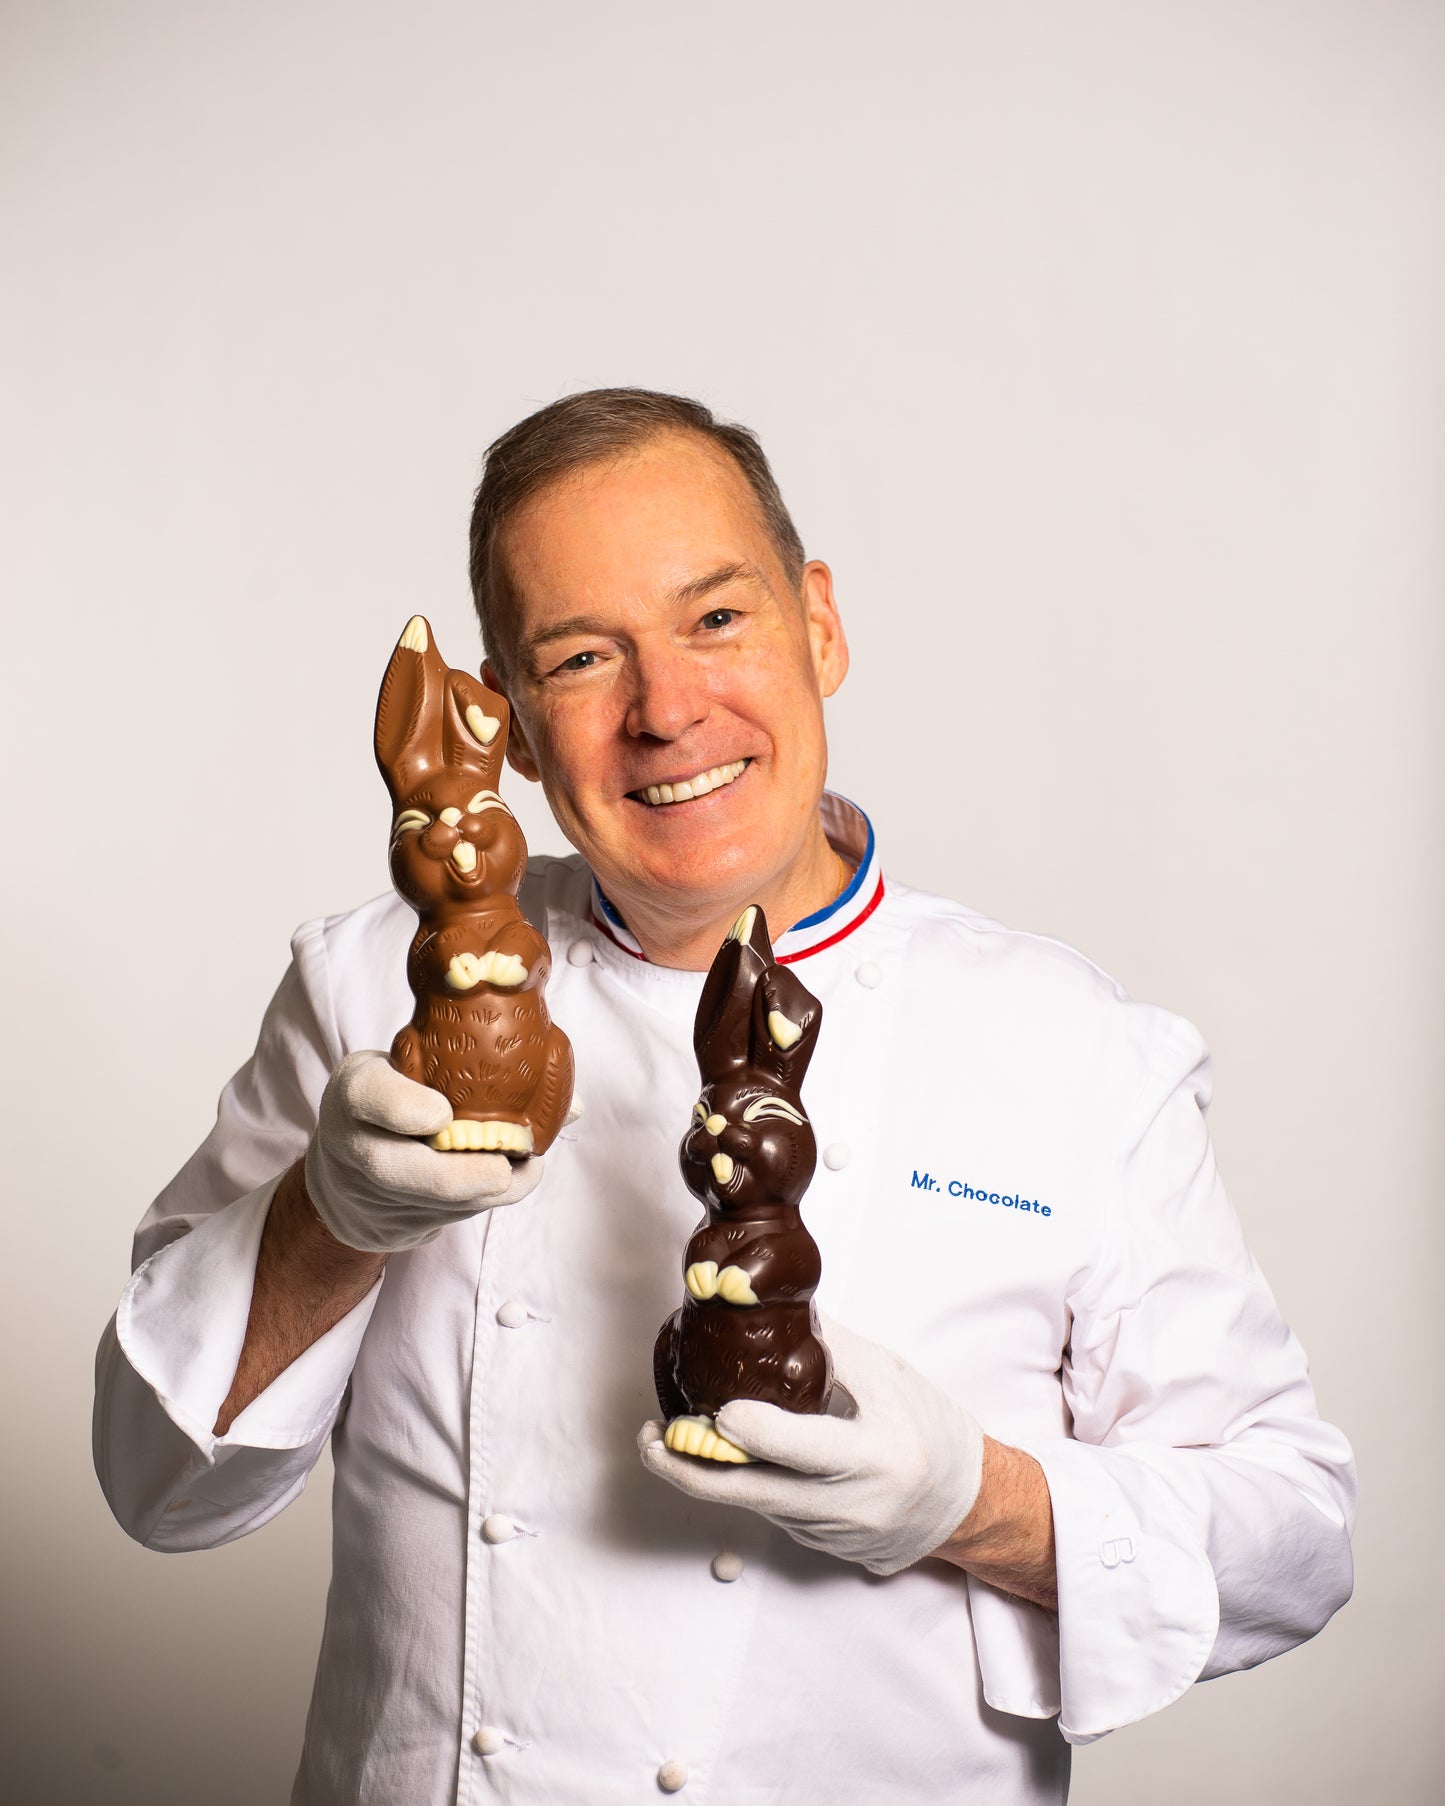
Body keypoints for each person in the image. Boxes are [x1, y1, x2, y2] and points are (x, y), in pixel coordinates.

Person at [94, 388, 1355, 1804]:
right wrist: (330, 1215)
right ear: (507, 726)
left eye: (715, 618)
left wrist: (969, 1499)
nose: (666, 711)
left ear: (819, 625)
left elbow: (1294, 1540)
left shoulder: (1073, 1047)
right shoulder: (366, 988)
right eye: (582, 657)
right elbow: (155, 1479)